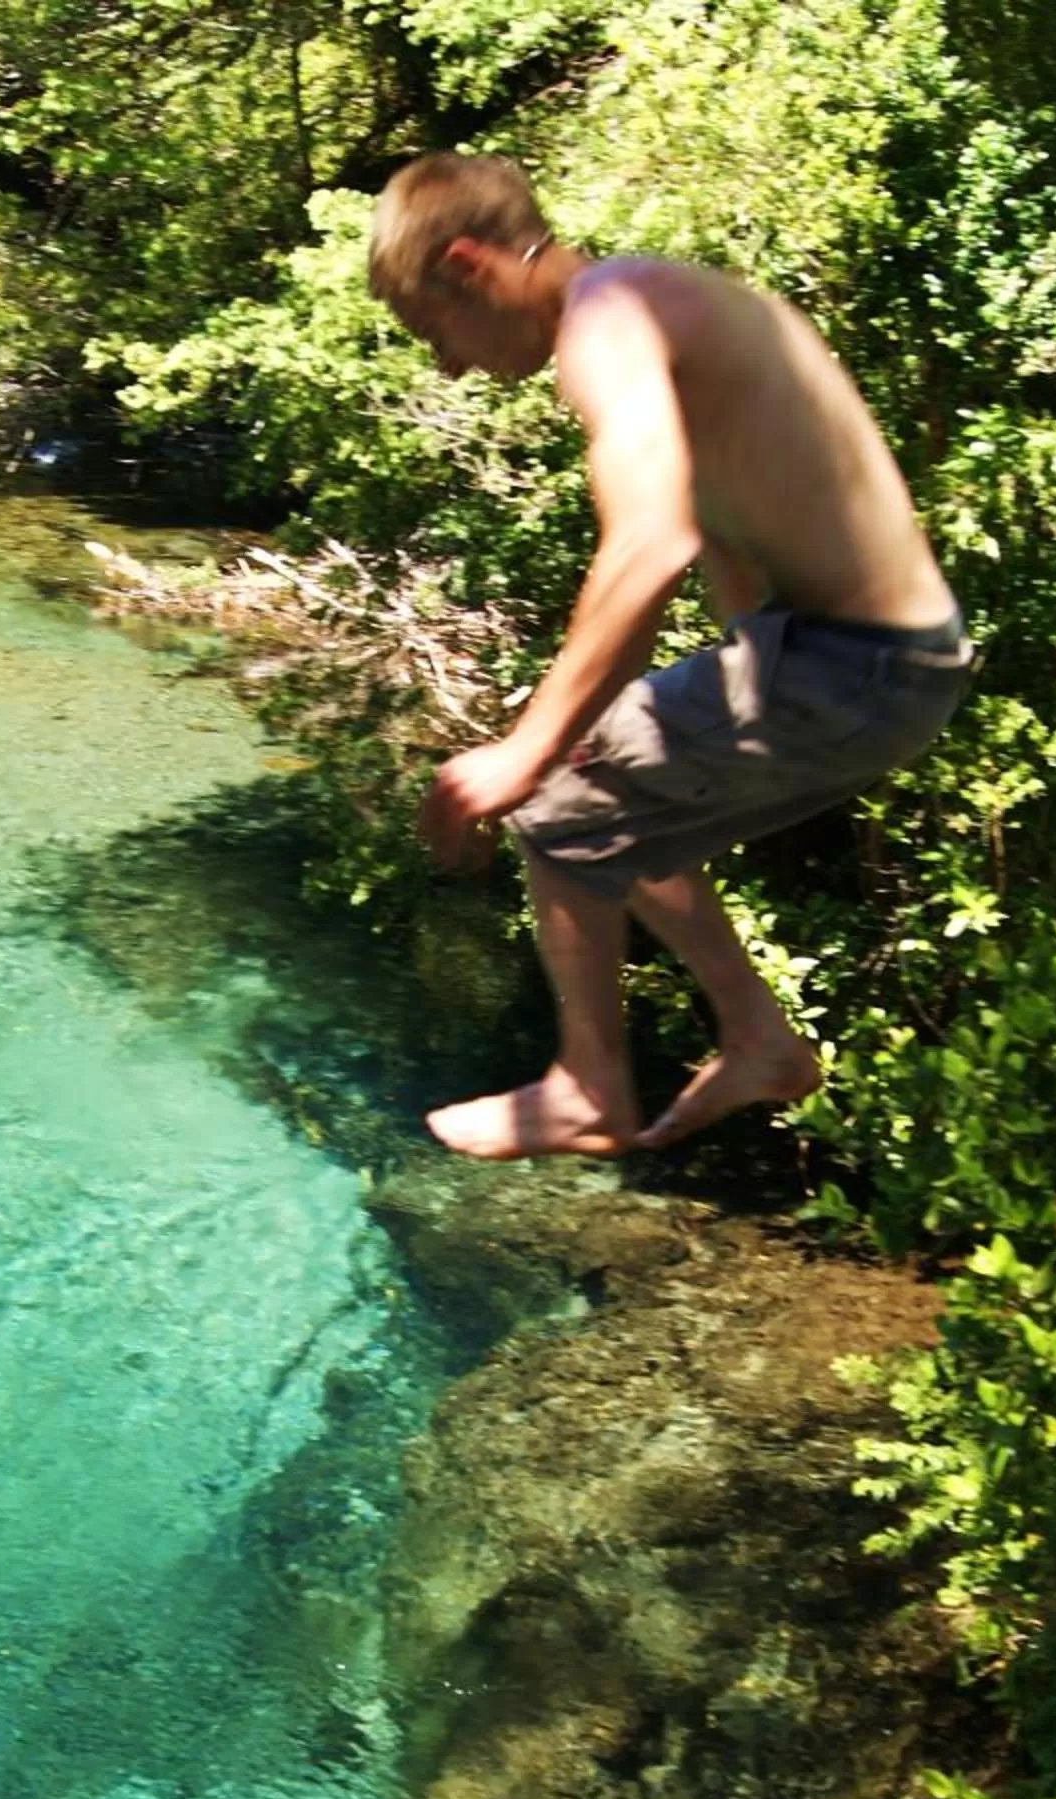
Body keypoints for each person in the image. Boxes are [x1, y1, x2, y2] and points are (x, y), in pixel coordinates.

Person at [367, 152, 974, 1159]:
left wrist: (524, 750)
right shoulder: (661, 300)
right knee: (621, 818)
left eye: (437, 333)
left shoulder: (606, 323)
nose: (451, 368)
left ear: (471, 266)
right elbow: (735, 539)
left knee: (559, 800)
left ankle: (589, 1088)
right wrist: (719, 676)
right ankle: (757, 1037)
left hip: (855, 660)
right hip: (899, 665)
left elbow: (652, 543)